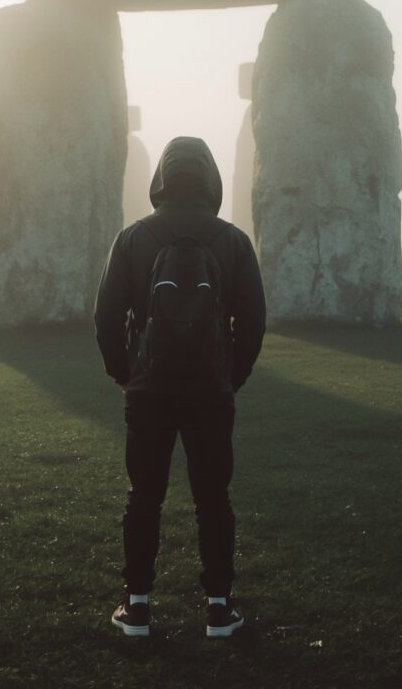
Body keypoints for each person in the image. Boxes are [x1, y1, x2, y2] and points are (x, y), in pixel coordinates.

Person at [94, 136, 266, 638]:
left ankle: (138, 607)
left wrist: (125, 374)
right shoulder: (232, 241)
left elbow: (106, 317)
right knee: (214, 497)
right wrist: (230, 377)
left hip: (148, 390)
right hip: (211, 391)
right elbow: (253, 321)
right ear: (210, 178)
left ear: (162, 179)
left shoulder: (133, 238)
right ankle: (218, 609)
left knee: (143, 496)